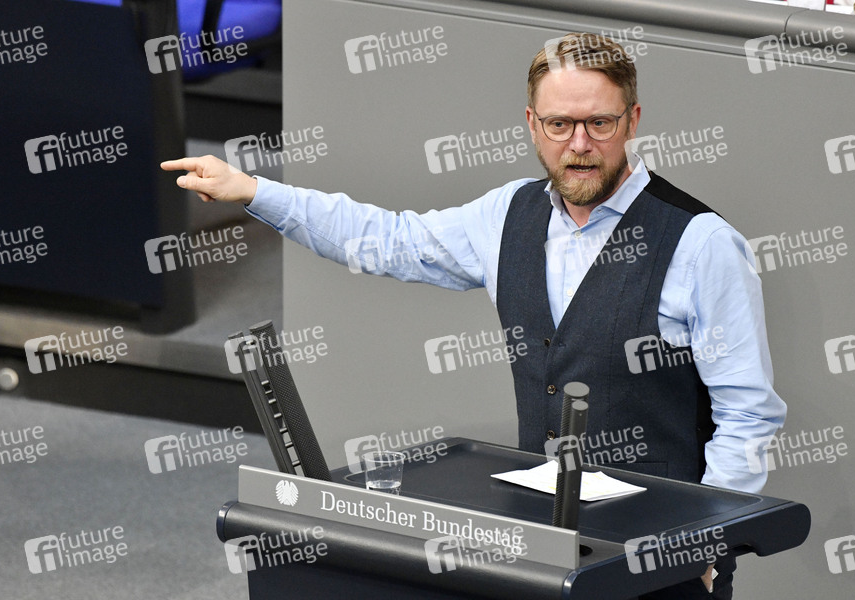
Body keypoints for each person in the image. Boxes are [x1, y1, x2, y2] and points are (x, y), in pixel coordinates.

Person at [162, 33, 785, 598]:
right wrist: (255, 191)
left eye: (599, 122)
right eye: (560, 124)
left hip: (660, 559)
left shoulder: (702, 243)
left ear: (633, 120)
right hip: (543, 549)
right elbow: (388, 239)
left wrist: (706, 543)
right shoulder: (507, 214)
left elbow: (747, 413)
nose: (580, 144)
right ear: (532, 124)